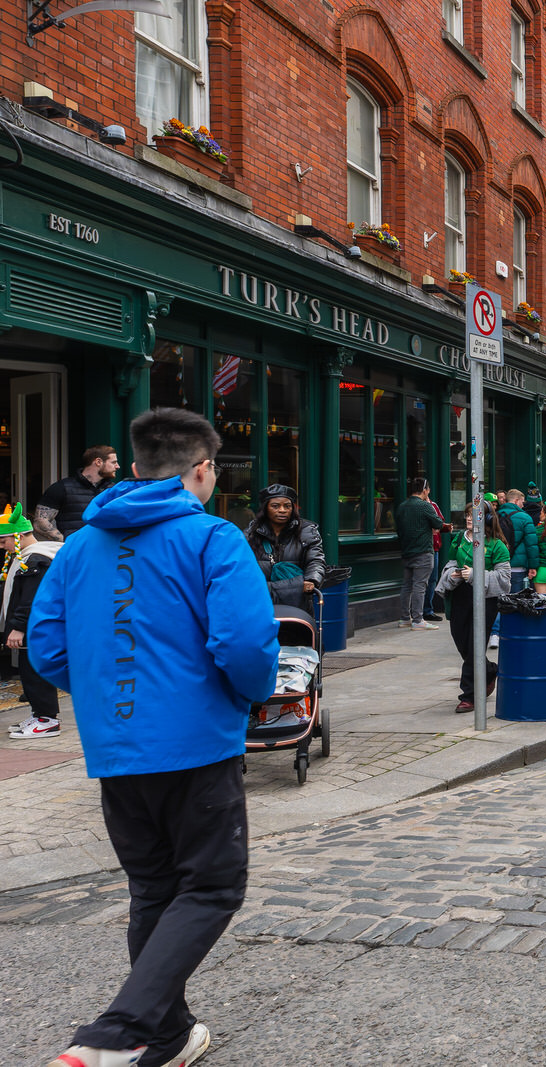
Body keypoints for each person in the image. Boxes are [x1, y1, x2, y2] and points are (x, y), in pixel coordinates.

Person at [31, 408, 278, 1067]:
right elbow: (249, 646)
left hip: (118, 749)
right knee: (212, 884)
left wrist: (110, 693)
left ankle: (168, 1036)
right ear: (203, 470)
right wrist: (241, 697)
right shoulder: (213, 539)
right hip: (197, 744)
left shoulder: (79, 544)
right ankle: (116, 1029)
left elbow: (47, 647)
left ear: (136, 469)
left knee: (154, 888)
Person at [438, 506, 511, 712]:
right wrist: (452, 572)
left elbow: (504, 581)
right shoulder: (461, 538)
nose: (469, 518)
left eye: (474, 515)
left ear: (486, 518)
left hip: (486, 599)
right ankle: (489, 669)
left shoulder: (497, 545)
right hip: (460, 595)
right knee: (462, 641)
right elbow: (452, 561)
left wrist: (475, 575)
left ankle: (469, 695)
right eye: (468, 515)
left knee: (474, 644)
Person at [2, 505, 64, 739]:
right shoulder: (28, 558)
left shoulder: (35, 560)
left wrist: (18, 626)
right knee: (29, 672)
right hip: (32, 628)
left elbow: (30, 598)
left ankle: (47, 719)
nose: (2, 546)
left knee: (35, 673)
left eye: (3, 541)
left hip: (32, 628)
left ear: (17, 536)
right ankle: (40, 714)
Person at [243, 484, 326, 612]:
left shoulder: (307, 531)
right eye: (275, 506)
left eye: (287, 506)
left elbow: (316, 559)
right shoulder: (251, 533)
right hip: (261, 597)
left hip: (296, 598)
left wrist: (312, 579)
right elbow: (242, 564)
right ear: (265, 508)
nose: (282, 510)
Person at [33, 445, 120, 541]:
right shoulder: (62, 487)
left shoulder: (113, 490)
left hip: (105, 549)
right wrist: (67, 541)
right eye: (114, 462)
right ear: (98, 462)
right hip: (75, 552)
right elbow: (40, 523)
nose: (117, 466)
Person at [395, 477, 449, 630]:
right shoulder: (425, 506)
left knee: (406, 586)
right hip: (423, 551)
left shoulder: (402, 506)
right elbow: (438, 523)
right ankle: (418, 620)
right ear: (425, 491)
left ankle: (405, 618)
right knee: (420, 586)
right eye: (428, 490)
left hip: (406, 551)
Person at [496, 489, 538, 595]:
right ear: (516, 501)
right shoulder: (525, 518)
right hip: (517, 568)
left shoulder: (495, 516)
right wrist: (533, 566)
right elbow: (531, 545)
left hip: (497, 566)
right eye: (522, 502)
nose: (523, 506)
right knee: (516, 600)